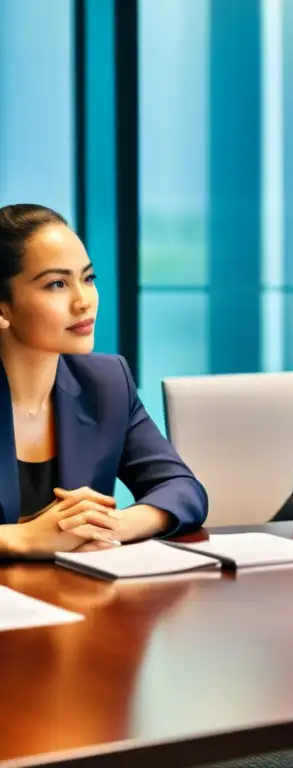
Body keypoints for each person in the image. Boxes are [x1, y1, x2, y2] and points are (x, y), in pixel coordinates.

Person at [0, 204, 207, 558]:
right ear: (3, 307)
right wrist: (22, 538)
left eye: (88, 278)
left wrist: (116, 524)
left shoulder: (106, 381)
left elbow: (182, 488)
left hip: (79, 600)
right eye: (57, 284)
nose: (84, 301)